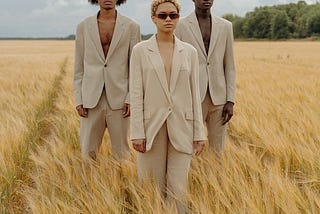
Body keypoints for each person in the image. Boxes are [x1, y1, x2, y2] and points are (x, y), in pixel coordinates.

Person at [129, 0, 206, 213]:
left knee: (178, 190)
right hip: (150, 127)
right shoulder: (140, 51)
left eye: (173, 15)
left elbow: (194, 94)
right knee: (151, 188)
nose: (168, 19)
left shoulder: (189, 52)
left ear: (178, 18)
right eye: (163, 15)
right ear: (153, 18)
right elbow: (136, 93)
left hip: (183, 126)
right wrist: (137, 132)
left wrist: (199, 133)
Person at [73, 0, 141, 160]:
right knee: (87, 153)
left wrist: (131, 98)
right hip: (91, 100)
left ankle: (122, 185)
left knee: (122, 154)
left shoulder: (132, 26)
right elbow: (78, 67)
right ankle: (87, 185)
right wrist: (78, 99)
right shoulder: (83, 26)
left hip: (120, 100)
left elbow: (136, 67)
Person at [175, 0, 236, 153]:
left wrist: (230, 100)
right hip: (191, 96)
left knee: (218, 150)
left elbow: (230, 66)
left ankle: (216, 177)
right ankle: (193, 176)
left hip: (219, 98)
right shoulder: (180, 26)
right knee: (191, 146)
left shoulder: (226, 26)